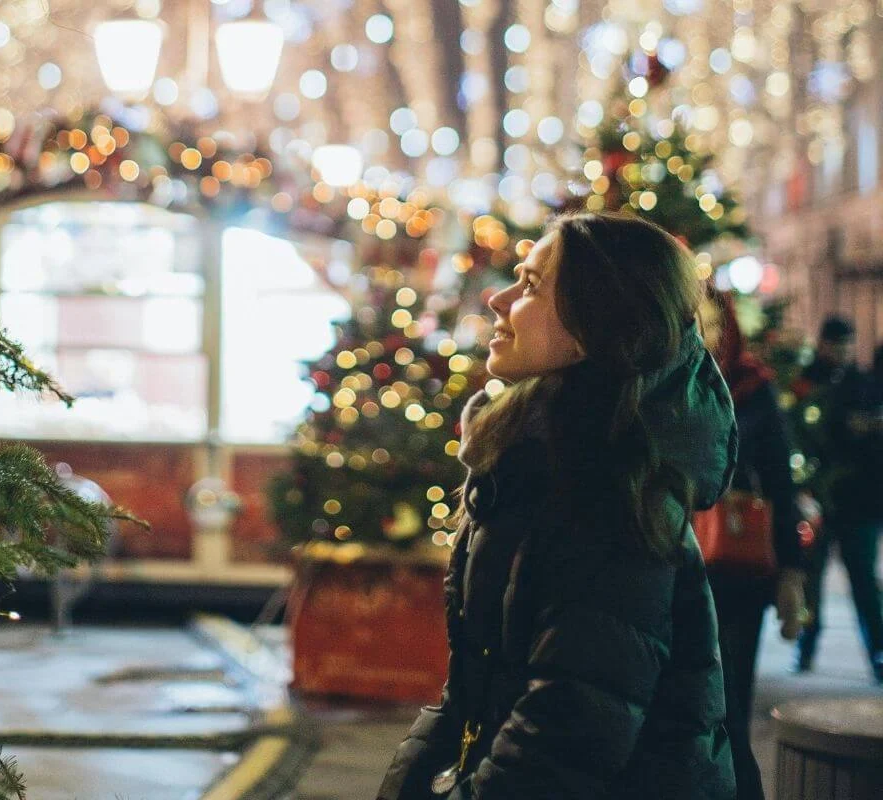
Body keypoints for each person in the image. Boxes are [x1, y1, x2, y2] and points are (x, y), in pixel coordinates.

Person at [378, 213, 738, 800]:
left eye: (531, 285)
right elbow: (471, 694)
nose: (498, 299)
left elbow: (567, 732)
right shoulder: (530, 463)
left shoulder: (606, 496)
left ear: (593, 323)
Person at [698, 290, 806, 799]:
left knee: (728, 707)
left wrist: (792, 574)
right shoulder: (664, 382)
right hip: (678, 565)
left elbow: (782, 487)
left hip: (738, 569)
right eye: (697, 322)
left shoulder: (752, 386)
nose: (708, 334)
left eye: (716, 323)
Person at [790, 317, 883, 683]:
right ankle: (806, 645)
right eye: (837, 344)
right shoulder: (804, 384)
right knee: (811, 579)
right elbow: (796, 434)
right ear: (824, 343)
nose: (843, 351)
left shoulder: (862, 384)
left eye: (848, 344)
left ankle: (878, 650)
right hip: (818, 499)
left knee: (862, 579)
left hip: (858, 500)